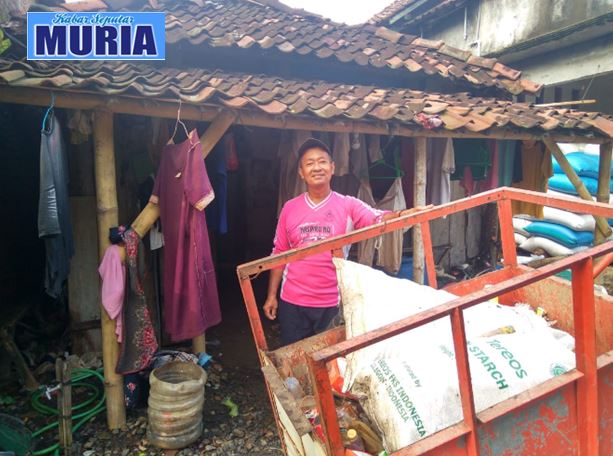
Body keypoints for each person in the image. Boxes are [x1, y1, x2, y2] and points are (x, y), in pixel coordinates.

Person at [263, 138, 427, 345]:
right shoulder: (290, 208)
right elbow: (279, 253)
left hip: (332, 301)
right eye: (309, 163)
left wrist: (406, 213)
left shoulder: (348, 205)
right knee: (294, 360)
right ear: (301, 172)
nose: (317, 167)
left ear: (332, 168)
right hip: (293, 301)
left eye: (322, 162)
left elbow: (377, 217)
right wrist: (271, 296)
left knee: (330, 363)